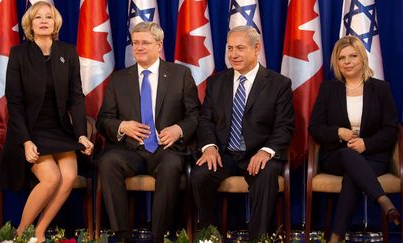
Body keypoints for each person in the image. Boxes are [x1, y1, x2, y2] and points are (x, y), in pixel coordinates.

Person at [96, 22, 200, 243]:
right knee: (107, 162)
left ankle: (157, 236)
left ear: (159, 45)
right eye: (135, 43)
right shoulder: (119, 79)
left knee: (172, 165)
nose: (139, 47)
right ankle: (122, 235)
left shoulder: (180, 74)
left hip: (166, 149)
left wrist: (178, 129)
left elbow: (195, 116)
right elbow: (103, 120)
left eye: (145, 42)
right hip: (130, 150)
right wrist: (122, 126)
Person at [0, 2, 93, 242]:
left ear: (55, 23)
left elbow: (76, 98)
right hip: (31, 131)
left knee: (70, 177)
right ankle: (20, 234)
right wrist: (26, 141)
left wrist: (81, 134)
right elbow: (15, 103)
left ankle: (39, 232)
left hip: (59, 130)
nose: (43, 21)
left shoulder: (68, 52)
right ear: (30, 24)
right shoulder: (19, 54)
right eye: (37, 17)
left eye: (48, 17)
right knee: (52, 178)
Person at [191, 25, 294, 240]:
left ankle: (258, 238)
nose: (233, 55)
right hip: (224, 154)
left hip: (259, 153)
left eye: (240, 48)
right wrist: (209, 147)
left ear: (256, 49)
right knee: (200, 175)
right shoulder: (216, 82)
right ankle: (212, 236)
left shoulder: (278, 84)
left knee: (266, 176)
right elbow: (205, 120)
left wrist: (266, 152)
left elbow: (284, 127)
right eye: (230, 49)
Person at [309, 35, 400, 243]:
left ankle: (335, 238)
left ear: (362, 59)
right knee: (346, 154)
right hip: (336, 156)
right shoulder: (329, 89)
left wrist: (366, 144)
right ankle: (383, 199)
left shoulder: (380, 88)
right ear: (336, 62)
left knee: (353, 176)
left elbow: (391, 128)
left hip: (372, 156)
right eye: (341, 58)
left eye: (352, 56)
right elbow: (315, 127)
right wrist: (338, 132)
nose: (347, 62)